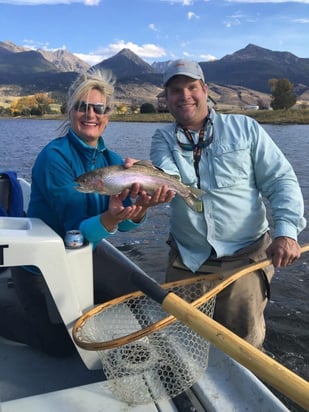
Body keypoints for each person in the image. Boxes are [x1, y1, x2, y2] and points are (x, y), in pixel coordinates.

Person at [1, 69, 174, 357]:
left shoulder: (114, 162)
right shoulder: (53, 158)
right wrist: (110, 219)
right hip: (41, 268)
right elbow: (75, 232)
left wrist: (139, 210)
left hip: (82, 254)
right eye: (82, 107)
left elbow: (125, 221)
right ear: (71, 111)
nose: (90, 114)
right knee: (60, 343)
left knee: (132, 303)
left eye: (98, 108)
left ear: (108, 115)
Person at [150, 59, 306, 349]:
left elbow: (281, 180)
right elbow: (166, 176)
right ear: (166, 98)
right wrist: (148, 184)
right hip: (187, 260)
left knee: (243, 347)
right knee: (182, 341)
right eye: (175, 90)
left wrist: (286, 232)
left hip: (244, 259)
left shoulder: (245, 128)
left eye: (191, 87)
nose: (184, 95)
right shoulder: (161, 138)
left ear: (205, 90)